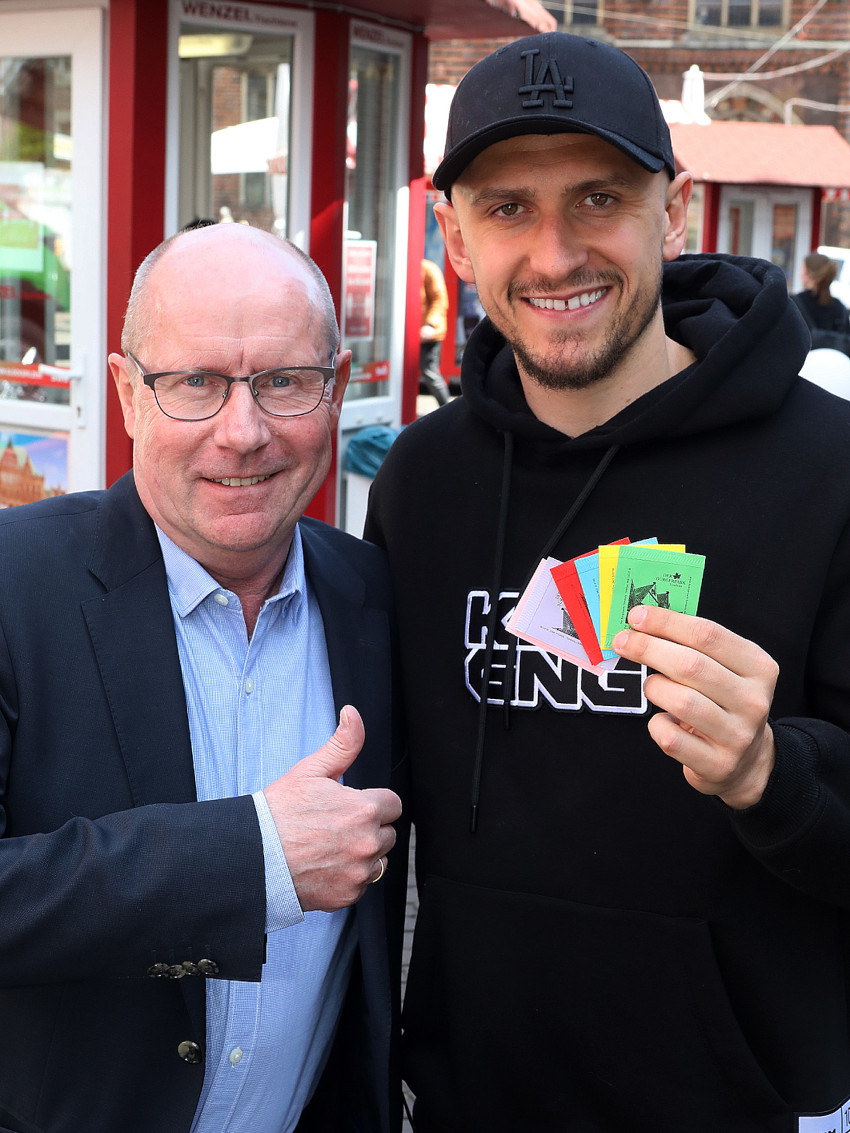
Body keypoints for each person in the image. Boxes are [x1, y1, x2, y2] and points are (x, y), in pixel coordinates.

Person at [365, 30, 850, 1133]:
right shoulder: (422, 486)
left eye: (598, 198)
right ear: (454, 236)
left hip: (745, 1106)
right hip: (469, 1101)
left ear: (671, 210)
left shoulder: (829, 471)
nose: (554, 254)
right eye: (508, 207)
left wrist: (771, 772)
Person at [0, 222, 405, 1133]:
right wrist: (252, 858)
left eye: (284, 381)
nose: (243, 431)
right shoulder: (13, 582)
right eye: (195, 383)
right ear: (126, 393)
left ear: (337, 388)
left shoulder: (372, 594)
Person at [791, 251, 850, 354]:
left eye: (802, 270)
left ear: (809, 275)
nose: (800, 274)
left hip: (805, 362)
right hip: (835, 362)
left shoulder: (793, 303)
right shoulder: (840, 308)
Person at [419, 258, 451, 406]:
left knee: (430, 372)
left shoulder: (428, 268)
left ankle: (448, 409)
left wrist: (430, 325)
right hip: (413, 332)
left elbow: (440, 299)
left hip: (428, 333)